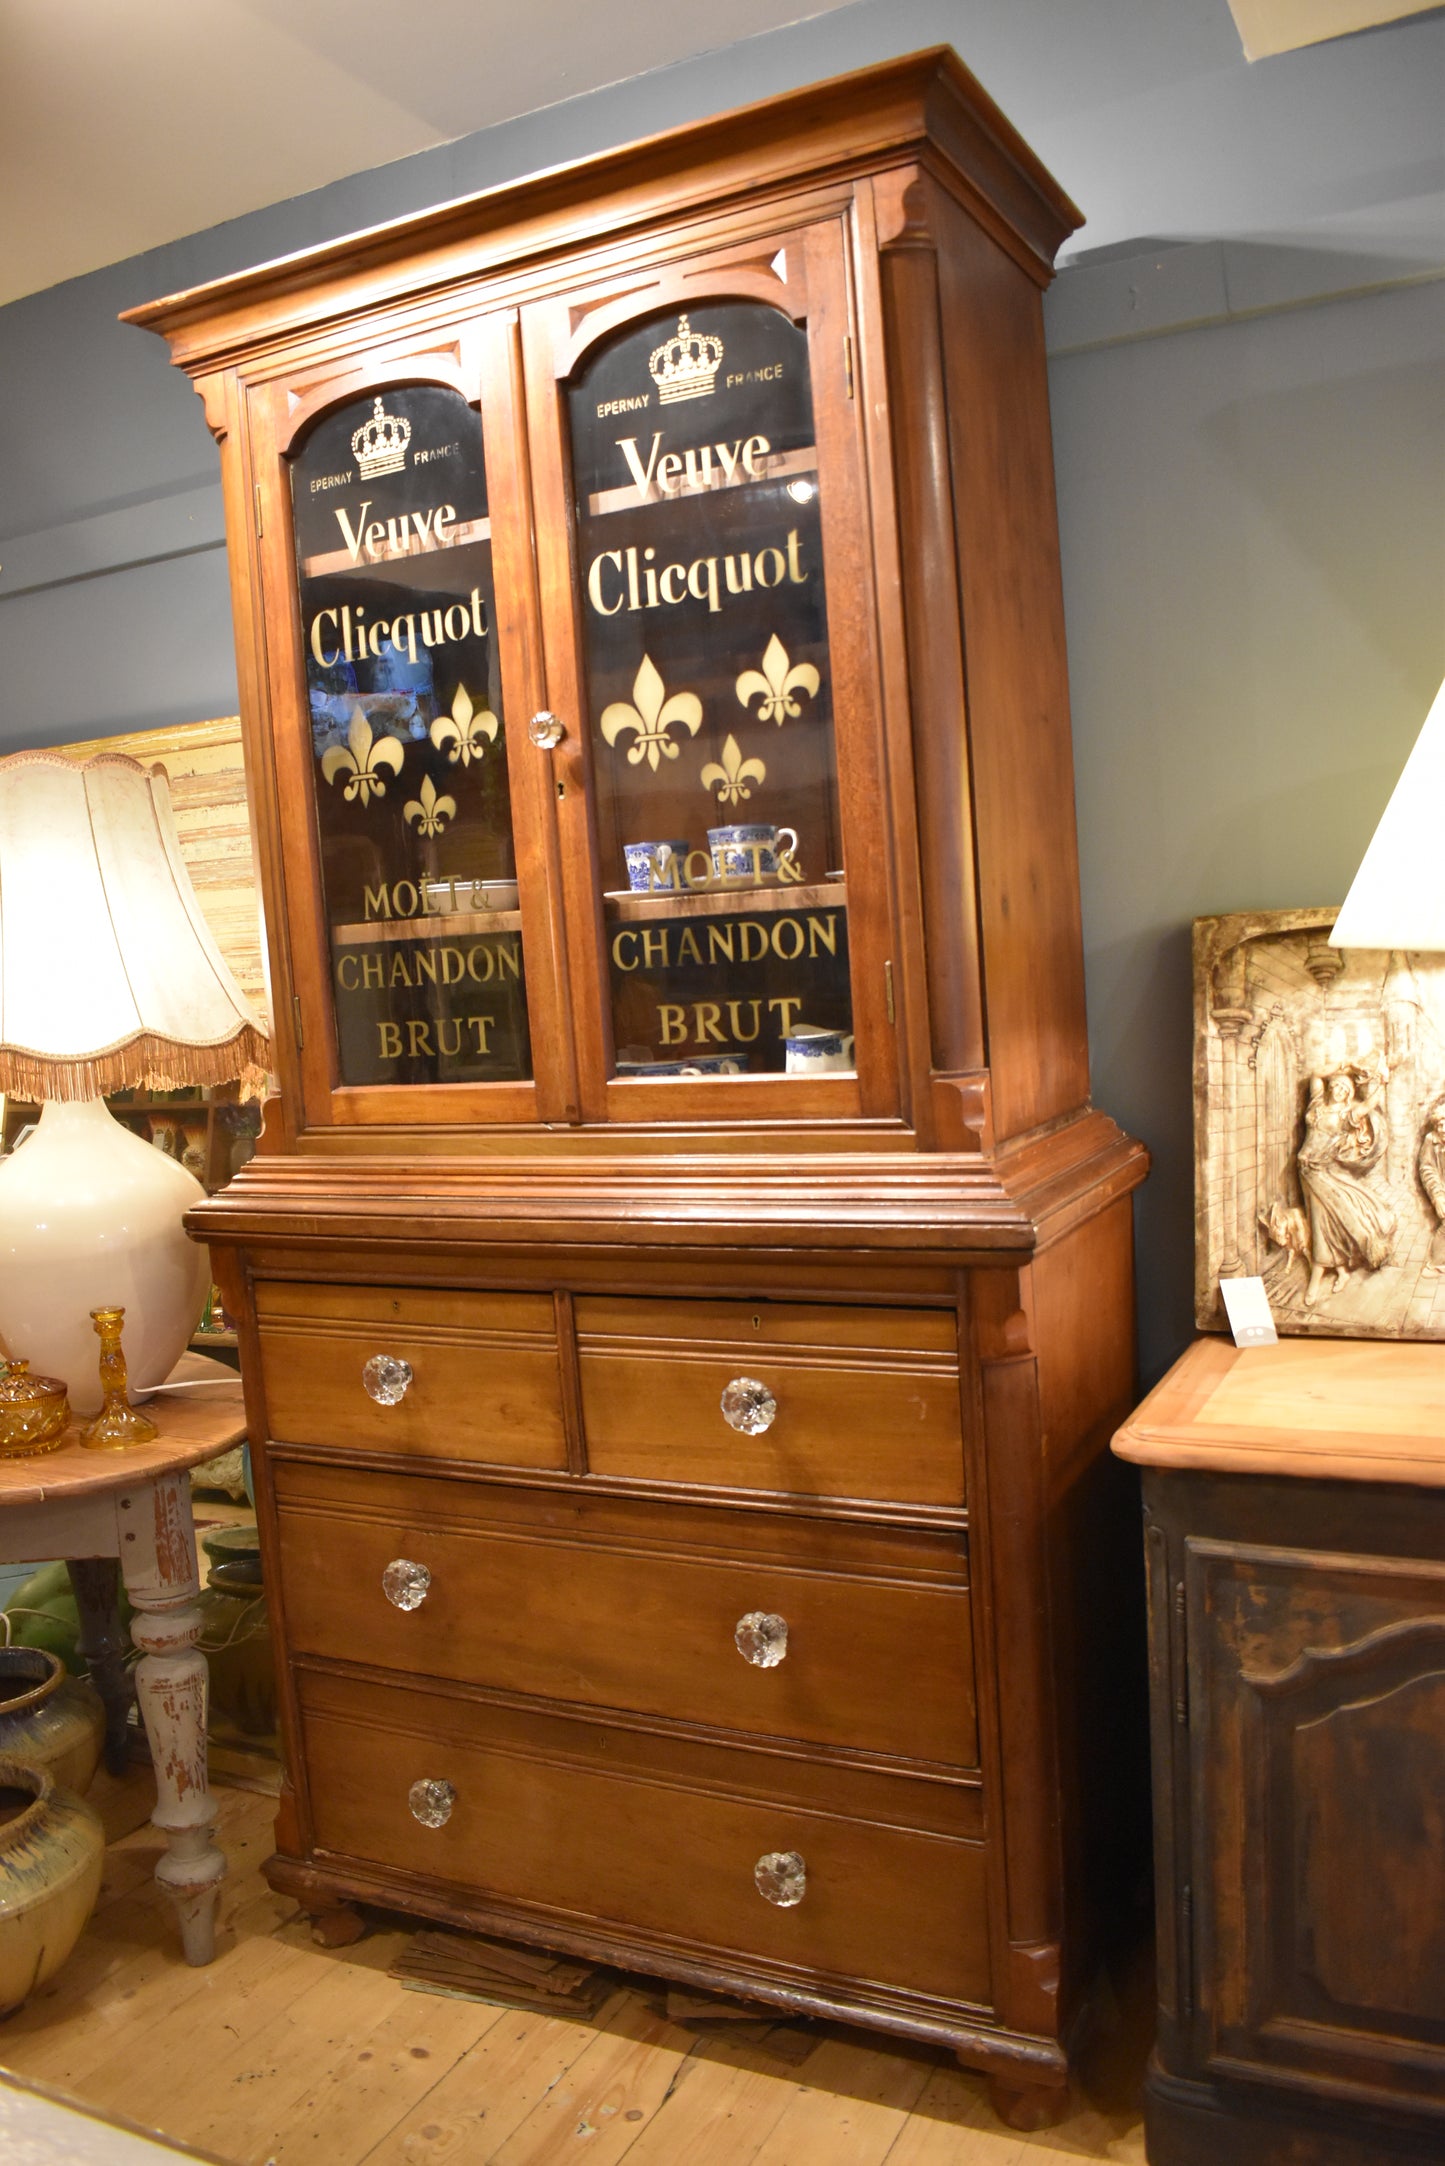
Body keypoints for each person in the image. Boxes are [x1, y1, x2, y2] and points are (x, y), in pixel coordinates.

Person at [1296, 1066, 1396, 1305]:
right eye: (1336, 1086)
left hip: (1321, 1171)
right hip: (1304, 1171)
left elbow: (1370, 1104)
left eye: (1344, 1088)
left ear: (1349, 1094)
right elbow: (1315, 1073)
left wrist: (1382, 1082)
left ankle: (1317, 1276)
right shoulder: (1317, 1104)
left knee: (1321, 1222)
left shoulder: (1348, 1114)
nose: (1339, 1090)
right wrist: (1345, 1068)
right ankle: (1341, 1270)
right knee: (1324, 1221)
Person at [1419, 1099, 1445, 1279]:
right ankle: (1435, 1264)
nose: (1442, 1129)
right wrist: (1438, 1196)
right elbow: (1427, 1169)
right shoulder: (1431, 1140)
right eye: (1440, 1125)